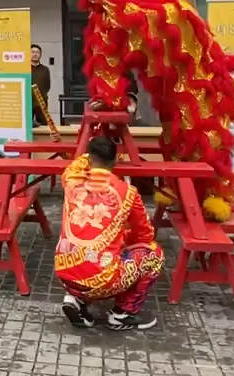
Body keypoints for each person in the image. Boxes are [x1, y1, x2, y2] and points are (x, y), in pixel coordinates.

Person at [54, 136, 161, 331]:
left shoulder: (71, 181)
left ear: (89, 157)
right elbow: (144, 235)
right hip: (102, 280)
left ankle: (76, 298)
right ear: (116, 160)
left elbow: (78, 163)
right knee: (154, 254)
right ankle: (123, 313)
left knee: (86, 249)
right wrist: (123, 240)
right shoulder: (128, 192)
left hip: (64, 275)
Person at [30, 44, 51, 126]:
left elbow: (47, 85)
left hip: (41, 101)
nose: (35, 54)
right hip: (28, 101)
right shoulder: (24, 69)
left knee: (44, 124)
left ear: (40, 55)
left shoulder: (45, 69)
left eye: (37, 52)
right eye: (33, 52)